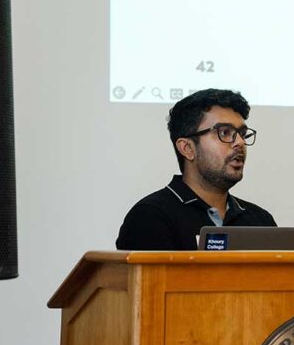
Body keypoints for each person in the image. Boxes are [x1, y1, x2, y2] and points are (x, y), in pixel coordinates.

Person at [115, 88, 276, 250]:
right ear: (187, 148)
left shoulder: (260, 221)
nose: (240, 142)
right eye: (225, 132)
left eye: (242, 133)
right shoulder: (150, 217)